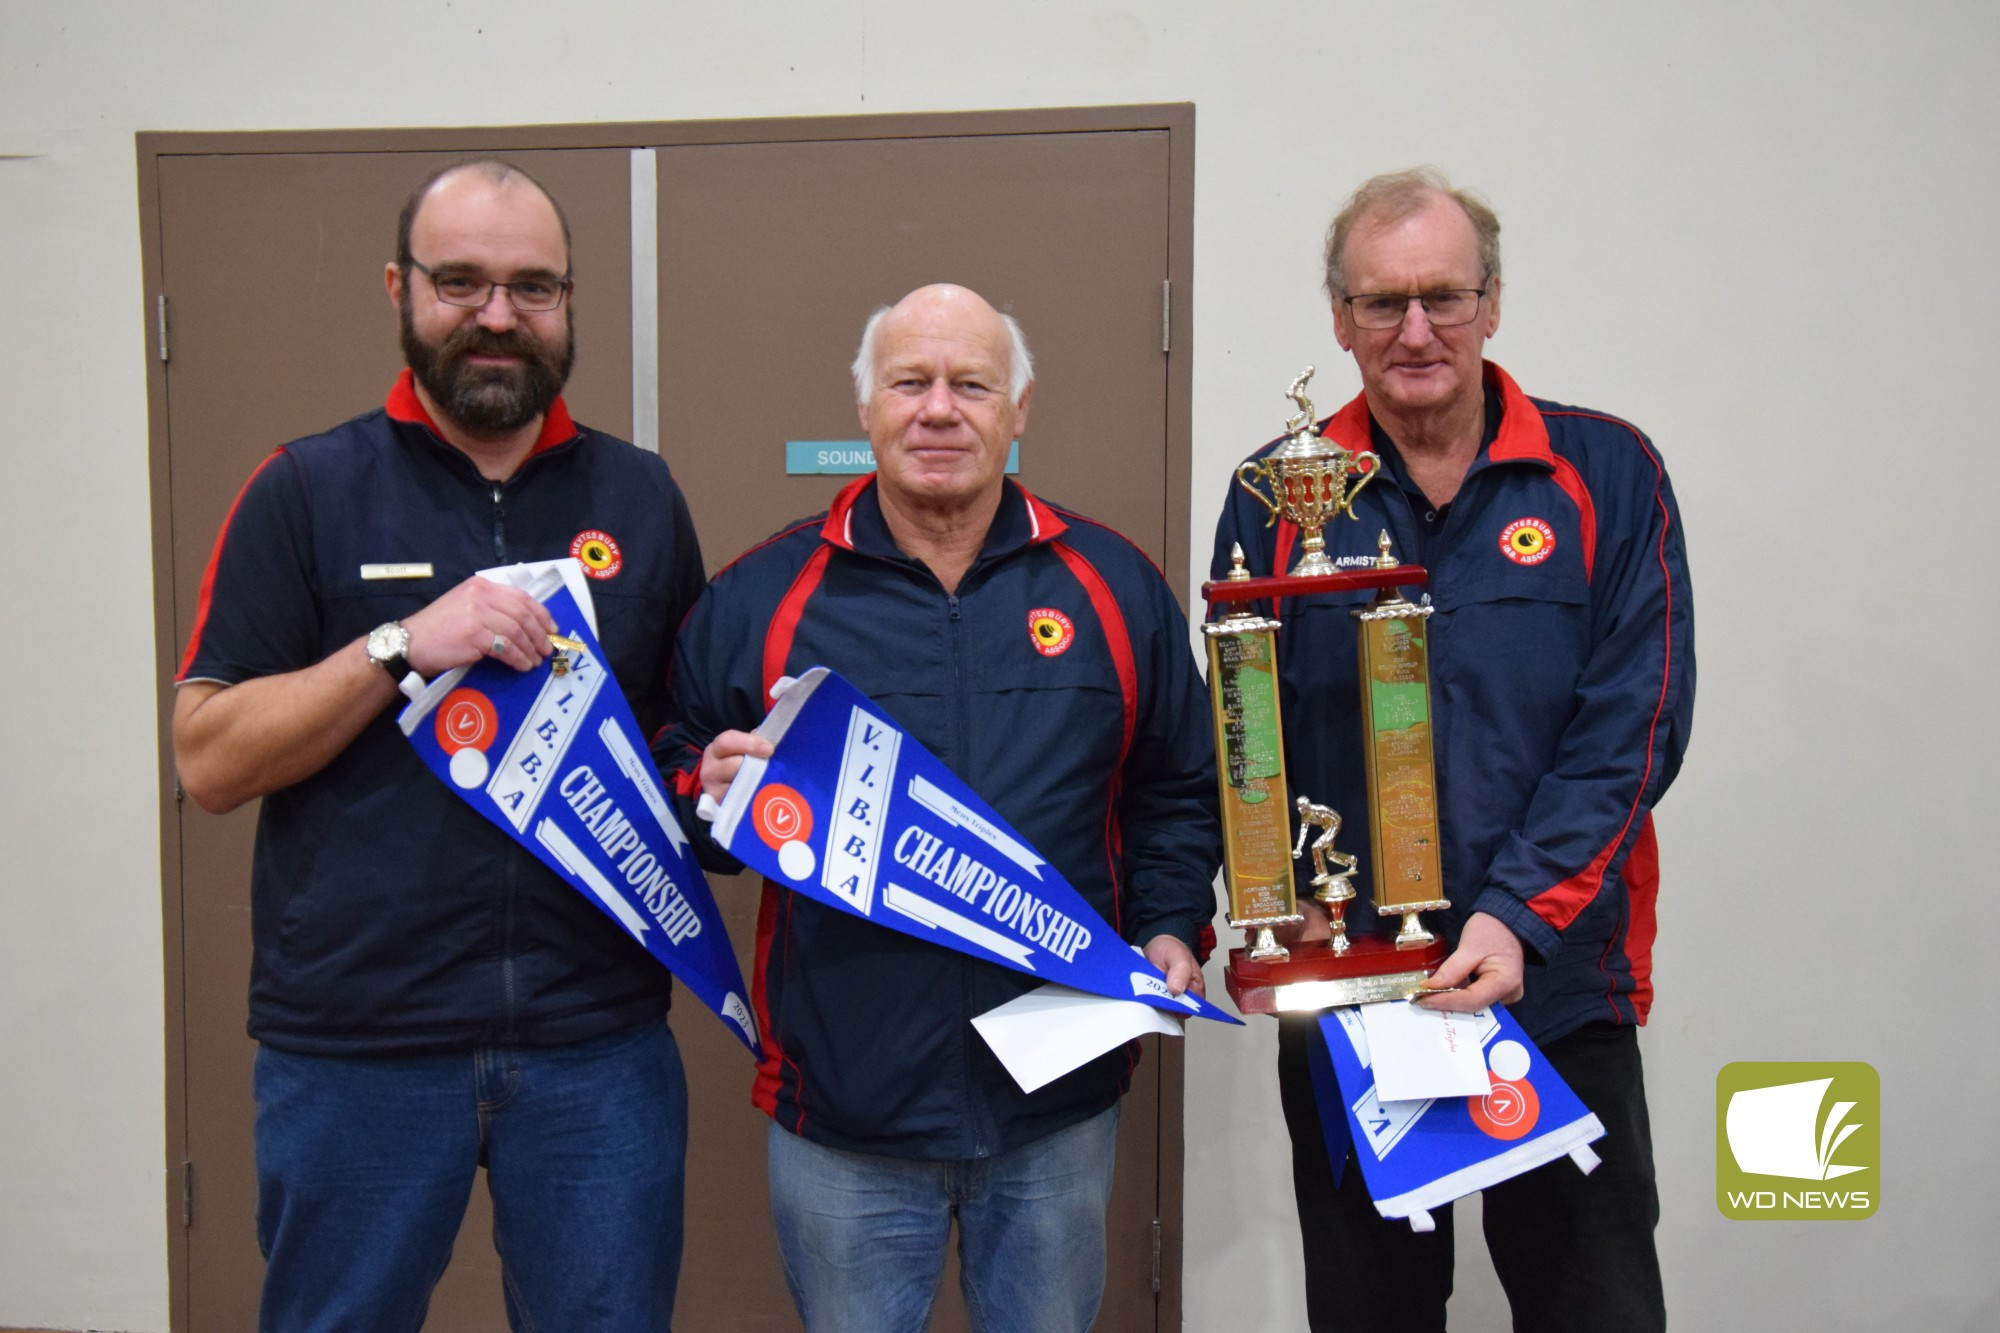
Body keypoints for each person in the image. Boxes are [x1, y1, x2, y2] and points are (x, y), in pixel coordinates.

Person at [173, 160, 704, 1332]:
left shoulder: (642, 495)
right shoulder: (304, 487)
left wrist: (727, 777)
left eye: (531, 287)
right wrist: (402, 644)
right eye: (459, 283)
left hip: (594, 1045)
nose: (498, 316)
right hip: (357, 1048)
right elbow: (207, 759)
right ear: (398, 289)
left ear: (569, 302)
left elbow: (679, 745)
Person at [663, 283, 1220, 1333]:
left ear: (1018, 410)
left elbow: (1176, 788)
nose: (937, 409)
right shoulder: (761, 595)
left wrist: (1166, 924)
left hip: (1055, 1101)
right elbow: (674, 775)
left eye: (971, 384)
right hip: (844, 1112)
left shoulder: (1109, 583)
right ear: (865, 409)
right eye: (908, 383)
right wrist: (709, 791)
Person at [1212, 168, 1693, 1332]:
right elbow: (1240, 726)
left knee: (1596, 1309)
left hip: (1557, 981)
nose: (1414, 329)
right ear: (1338, 320)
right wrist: (1275, 896)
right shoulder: (1276, 493)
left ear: (1491, 303)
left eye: (1442, 295)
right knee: (1368, 1313)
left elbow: (1635, 722)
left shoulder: (1605, 474)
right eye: (1381, 303)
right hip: (1351, 990)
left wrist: (1515, 913)